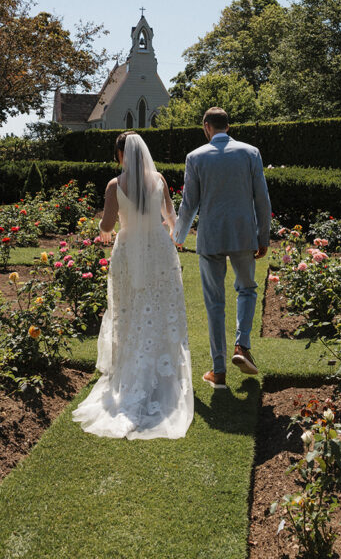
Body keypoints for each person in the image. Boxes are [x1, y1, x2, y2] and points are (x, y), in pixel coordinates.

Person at [72, 131, 194, 439]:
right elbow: (171, 216)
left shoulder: (115, 185)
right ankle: (161, 372)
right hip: (159, 251)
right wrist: (169, 233)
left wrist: (100, 229)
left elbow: (108, 225)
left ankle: (130, 368)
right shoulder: (160, 180)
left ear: (120, 155)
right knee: (160, 307)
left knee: (128, 307)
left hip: (128, 250)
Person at [174, 107, 272, 390]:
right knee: (247, 289)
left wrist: (179, 236)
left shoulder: (195, 157)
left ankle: (218, 373)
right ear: (228, 126)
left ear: (207, 127)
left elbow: (189, 202)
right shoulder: (250, 152)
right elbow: (261, 199)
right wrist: (262, 236)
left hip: (211, 237)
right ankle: (241, 346)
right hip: (243, 234)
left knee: (215, 303)